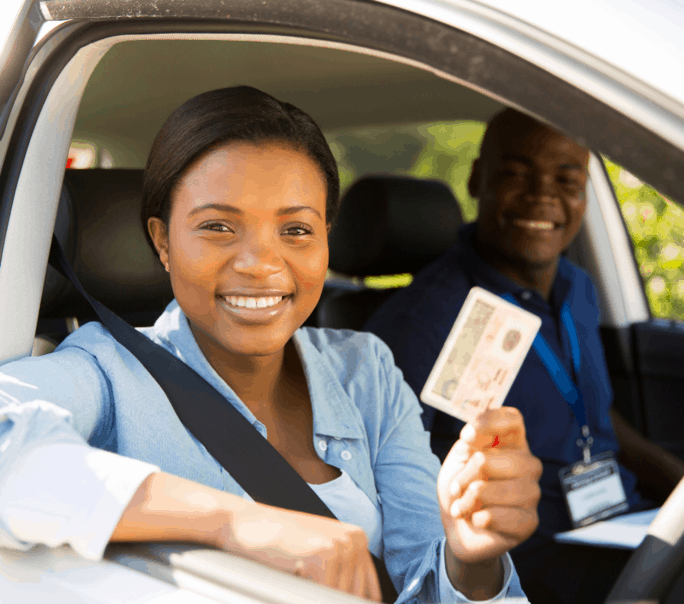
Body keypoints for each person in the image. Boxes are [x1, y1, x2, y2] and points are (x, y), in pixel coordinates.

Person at [0, 87, 542, 603]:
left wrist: (471, 559)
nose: (260, 264)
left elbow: (427, 577)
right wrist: (234, 522)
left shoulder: (364, 370)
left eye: (296, 230)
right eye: (217, 226)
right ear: (163, 241)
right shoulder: (106, 371)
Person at [365, 109, 684, 604]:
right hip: (530, 558)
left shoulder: (577, 288)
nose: (543, 195)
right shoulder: (423, 320)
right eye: (516, 174)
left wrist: (683, 484)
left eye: (567, 179)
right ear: (478, 180)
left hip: (619, 522)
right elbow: (392, 481)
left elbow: (594, 414)